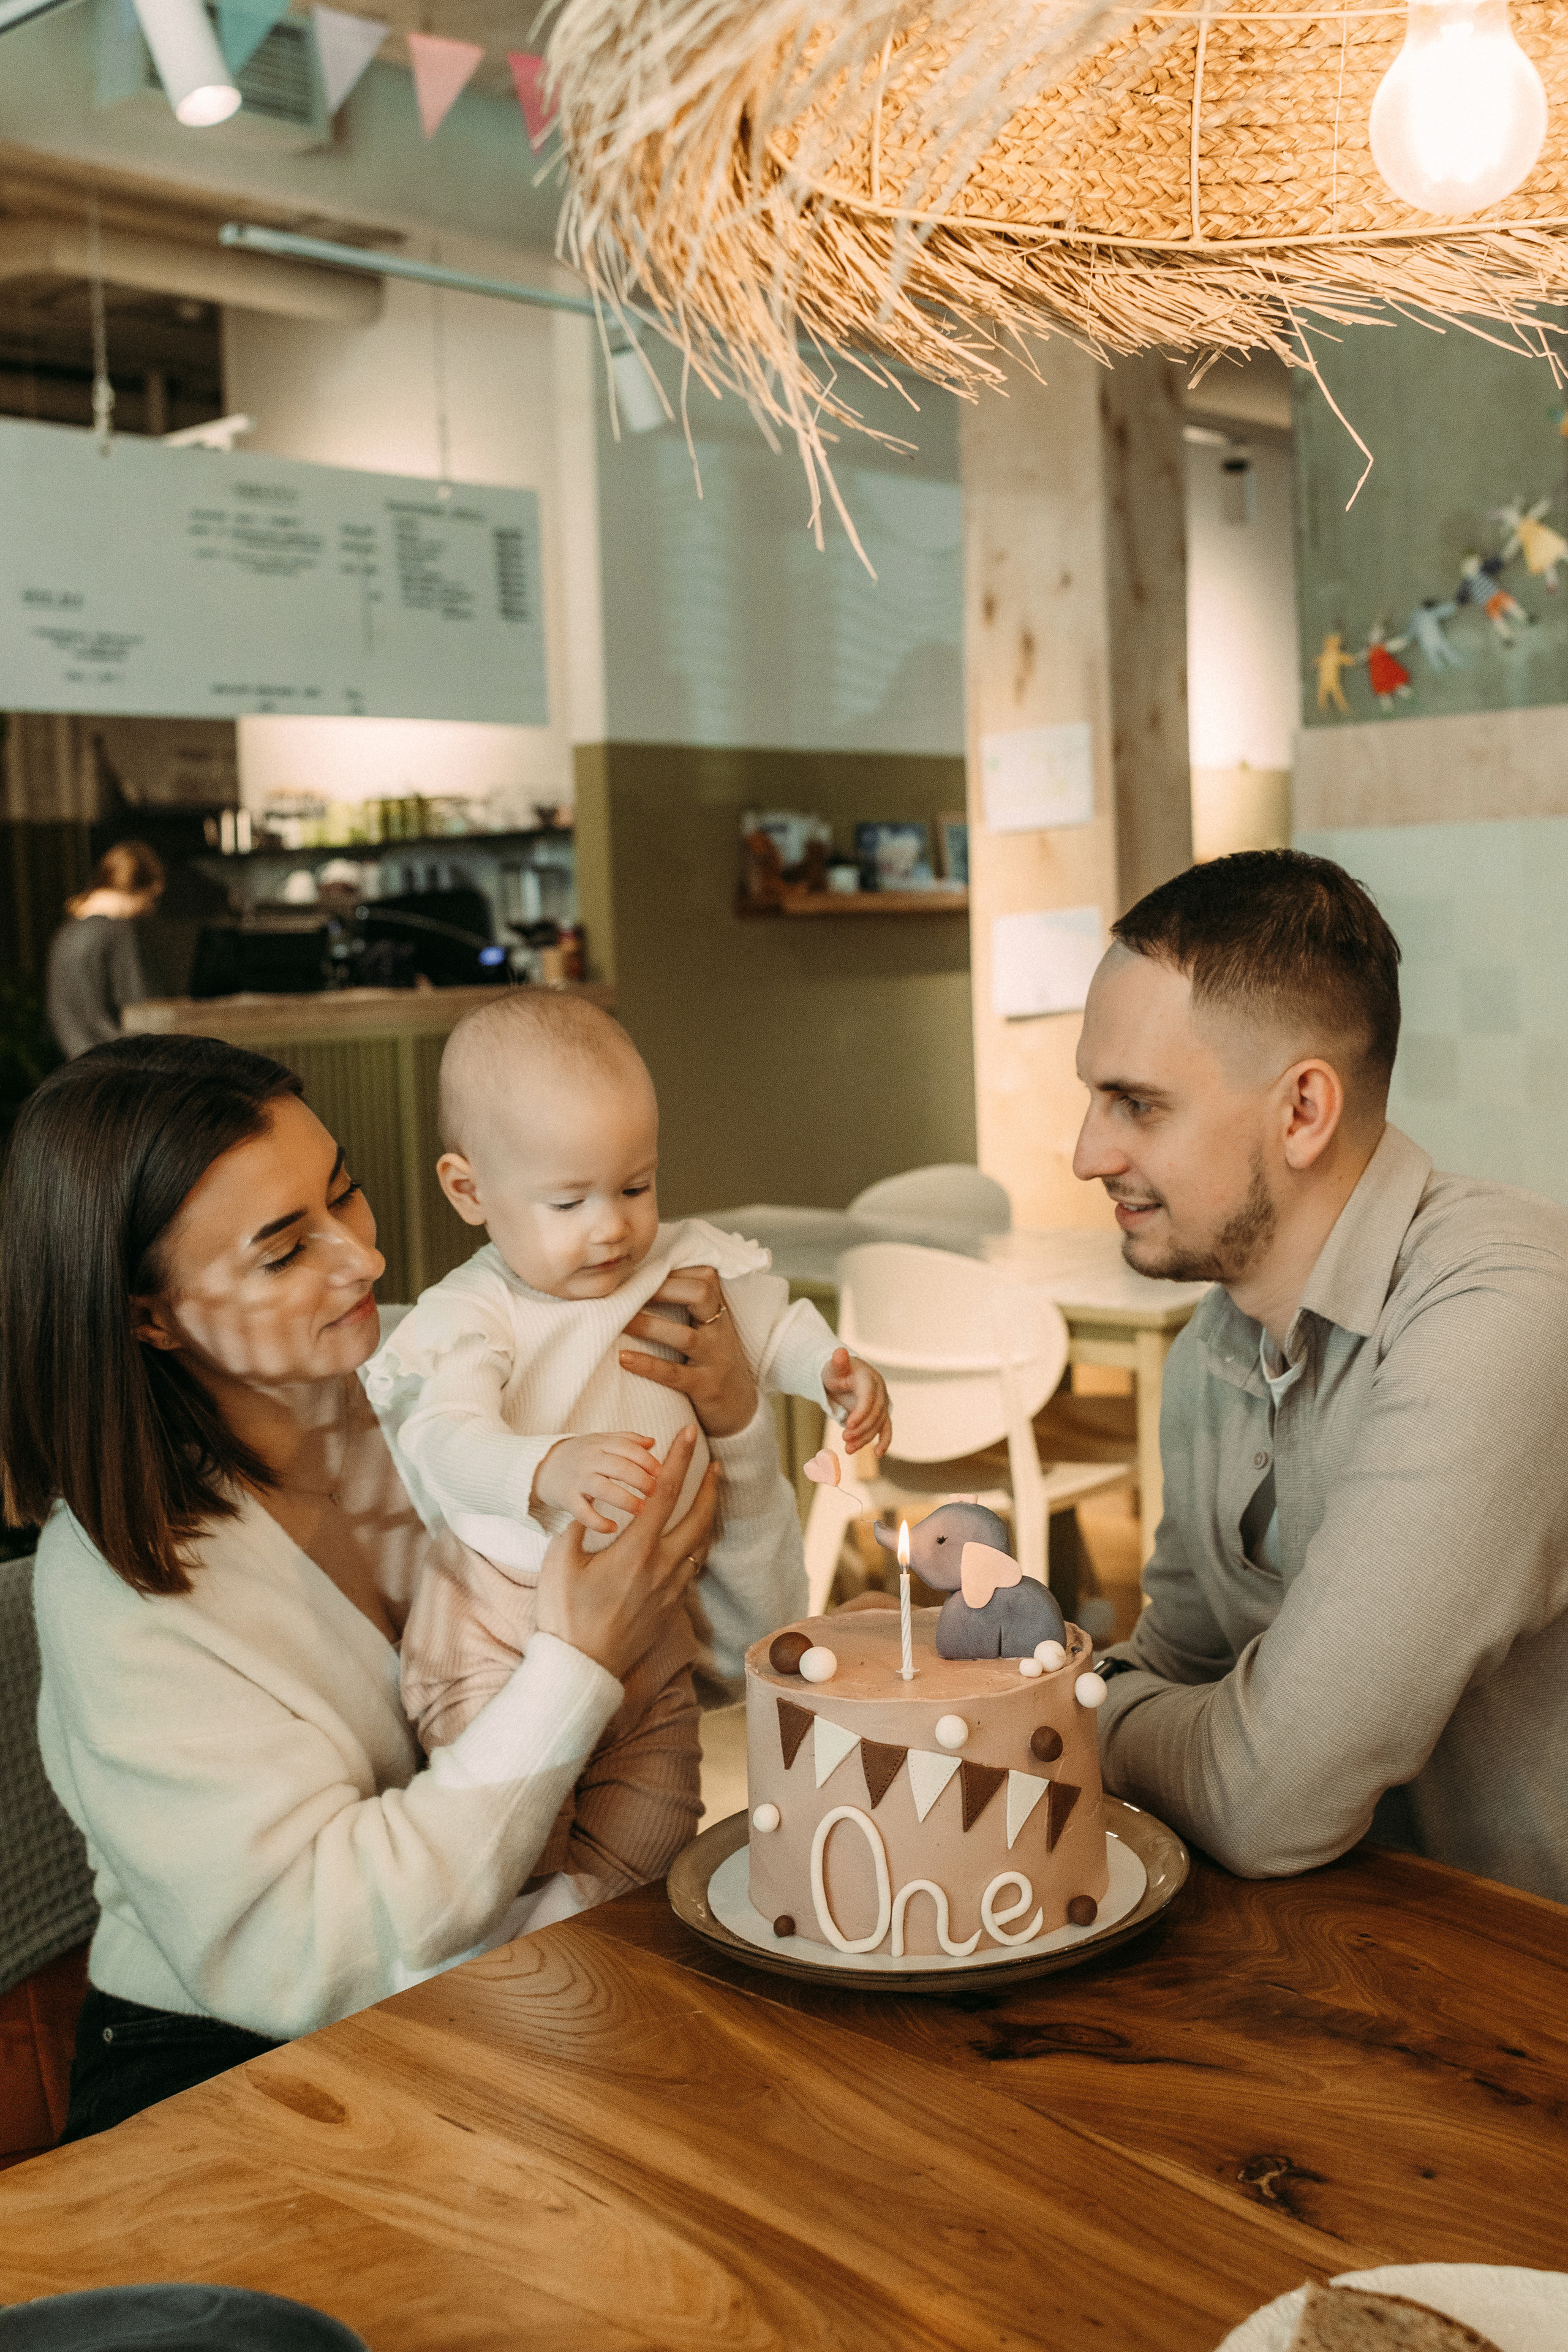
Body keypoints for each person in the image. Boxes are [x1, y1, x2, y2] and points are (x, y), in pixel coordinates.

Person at [0, 1033, 793, 2141]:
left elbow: (735, 1655)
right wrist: (574, 1668)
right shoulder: (115, 1582)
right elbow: (309, 1952)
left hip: (518, 1991)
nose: (366, 1263)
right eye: (286, 1251)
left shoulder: (454, 1374)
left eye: (347, 1193)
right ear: (149, 1315)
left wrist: (740, 1432)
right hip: (234, 2069)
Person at [1072, 849, 1568, 1903]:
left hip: (1527, 1991)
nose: (1085, 1153)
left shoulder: (1505, 1311)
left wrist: (1073, 1714)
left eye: (1137, 1105)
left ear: (1303, 1111)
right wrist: (1117, 1699)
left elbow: (1267, 1798)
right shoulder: (1219, 1334)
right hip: (1345, 1959)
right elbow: (1182, 1661)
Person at [368, 990, 891, 1749]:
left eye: (635, 1187)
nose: (611, 1226)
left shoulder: (677, 1262)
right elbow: (442, 1438)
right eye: (567, 1202)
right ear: (468, 1190)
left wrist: (831, 1372)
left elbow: (771, 1329)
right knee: (525, 1802)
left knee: (660, 1810)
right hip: (510, 1616)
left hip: (657, 1606)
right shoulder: (479, 1311)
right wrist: (544, 1466)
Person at [44, 840, 165, 1058]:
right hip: (118, 1059)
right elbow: (137, 1003)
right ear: (140, 891)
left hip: (77, 1060)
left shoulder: (68, 930)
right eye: (151, 898)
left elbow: (61, 1011)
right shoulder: (116, 931)